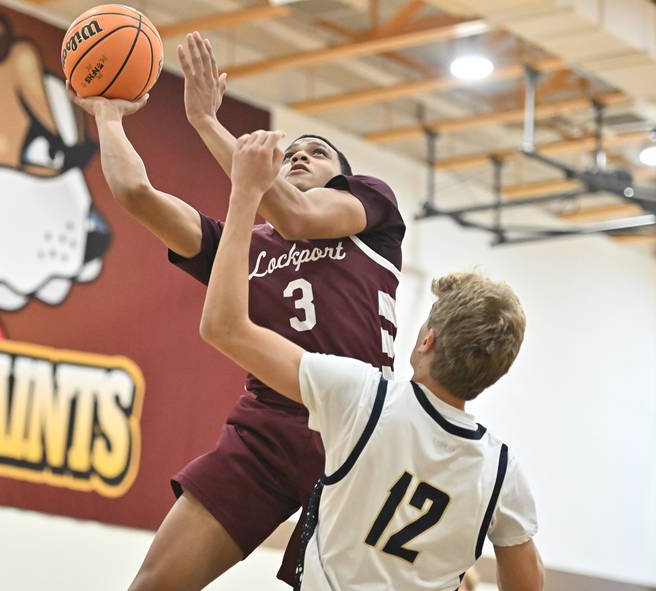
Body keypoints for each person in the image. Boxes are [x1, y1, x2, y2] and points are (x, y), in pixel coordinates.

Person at [69, 32, 405, 589]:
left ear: (343, 177)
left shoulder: (371, 207)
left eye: (316, 152)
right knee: (153, 583)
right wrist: (107, 115)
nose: (299, 156)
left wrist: (207, 122)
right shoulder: (244, 245)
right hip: (268, 428)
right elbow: (135, 193)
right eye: (291, 151)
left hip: (355, 425)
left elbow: (295, 214)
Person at [199, 130, 544, 590]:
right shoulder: (501, 470)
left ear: (426, 340)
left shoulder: (363, 399)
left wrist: (244, 193)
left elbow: (224, 326)